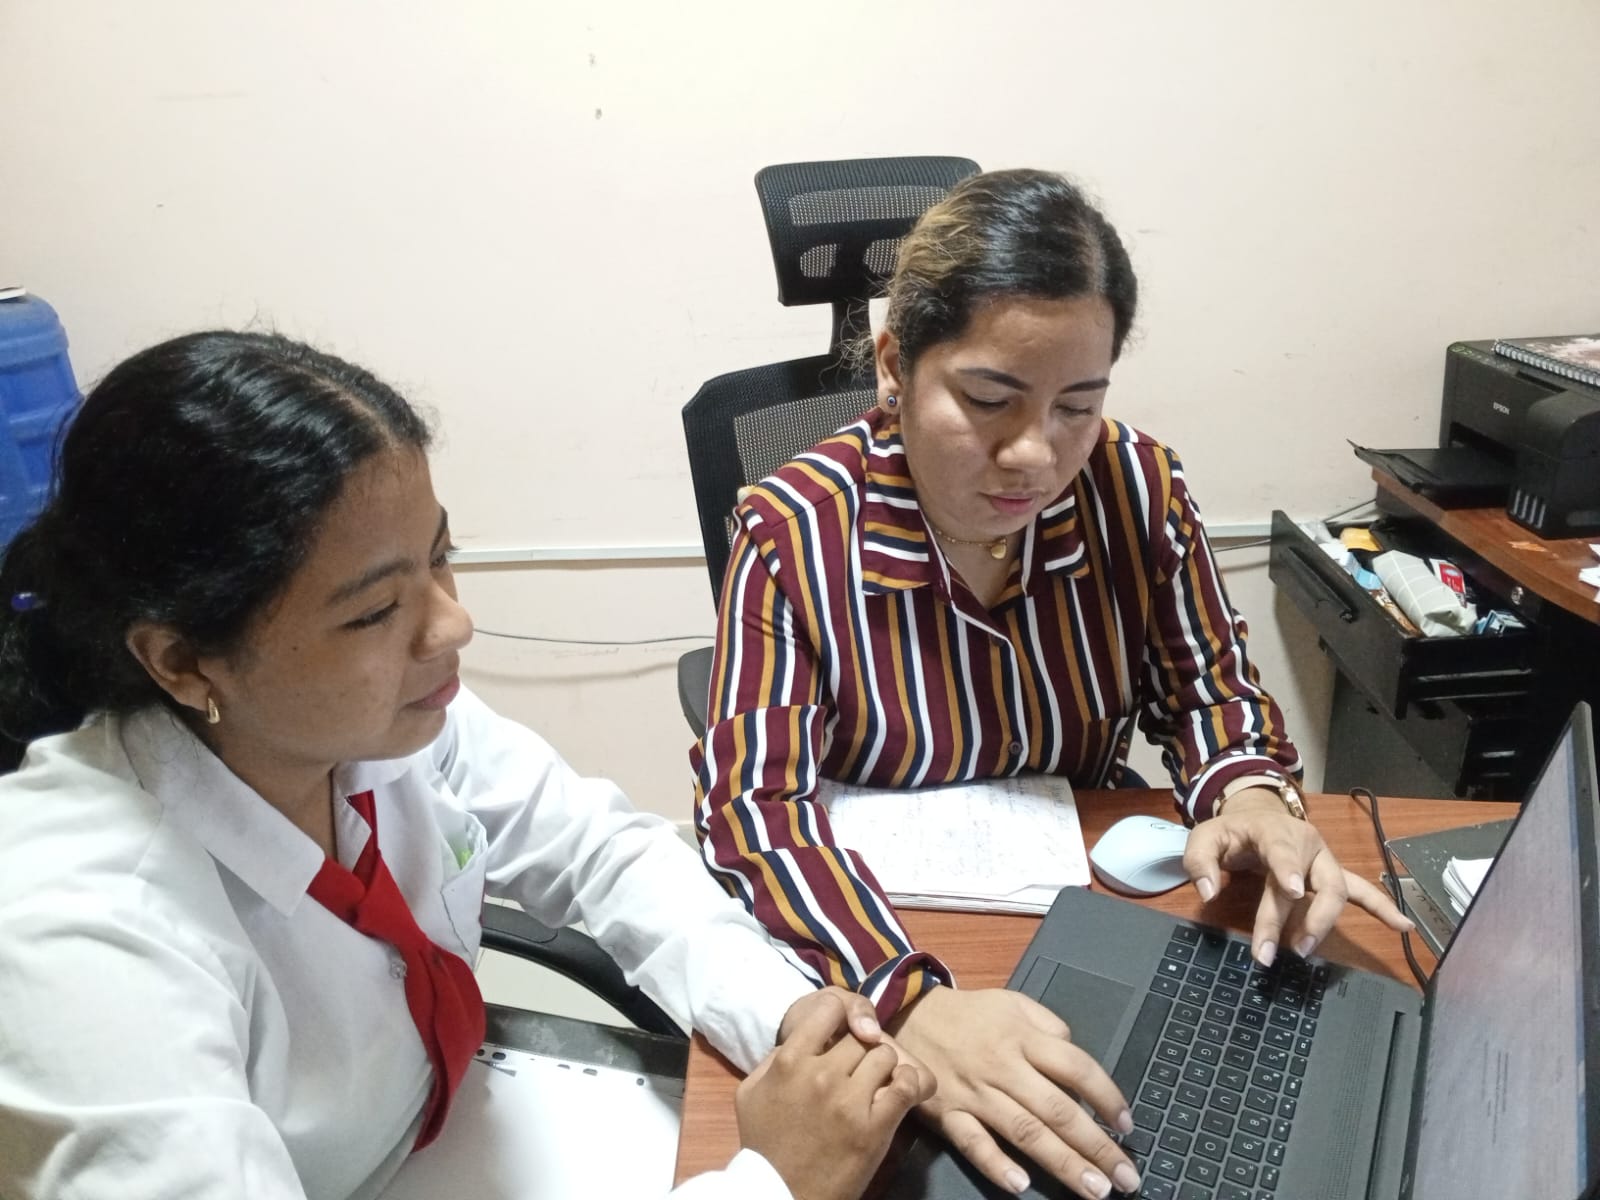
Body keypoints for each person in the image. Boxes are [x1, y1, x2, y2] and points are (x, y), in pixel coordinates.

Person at [0, 331, 933, 1200]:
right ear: (181, 660)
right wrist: (773, 1184)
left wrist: (794, 1021)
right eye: (375, 612)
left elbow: (600, 851)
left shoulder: (364, 729)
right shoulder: (81, 944)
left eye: (439, 557)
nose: (453, 624)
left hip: (439, 1132)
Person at [691, 168, 1414, 1200]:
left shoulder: (1134, 485)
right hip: (896, 930)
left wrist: (1250, 795)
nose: (1034, 454)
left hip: (1084, 909)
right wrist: (909, 1002)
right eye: (988, 400)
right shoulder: (793, 530)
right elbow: (751, 812)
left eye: (1078, 405)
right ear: (894, 367)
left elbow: (1210, 692)